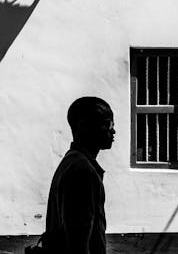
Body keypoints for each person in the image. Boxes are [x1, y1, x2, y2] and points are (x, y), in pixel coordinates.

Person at [44, 97, 115, 254]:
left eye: (112, 125)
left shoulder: (73, 161)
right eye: (107, 124)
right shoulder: (82, 172)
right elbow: (78, 243)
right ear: (84, 126)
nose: (112, 130)